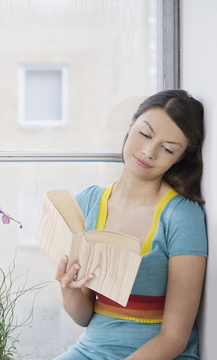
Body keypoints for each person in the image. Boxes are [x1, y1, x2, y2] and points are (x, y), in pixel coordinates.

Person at [54, 89, 207, 359]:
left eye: (168, 148)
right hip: (91, 350)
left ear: (179, 158)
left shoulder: (182, 215)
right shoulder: (87, 202)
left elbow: (174, 338)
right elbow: (84, 316)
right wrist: (69, 291)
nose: (148, 152)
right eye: (145, 134)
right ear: (131, 125)